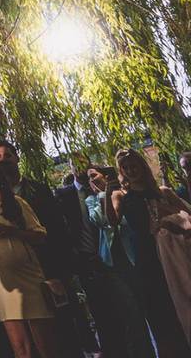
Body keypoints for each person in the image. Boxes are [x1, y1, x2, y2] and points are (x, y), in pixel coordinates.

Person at [0, 139, 86, 357]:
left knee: (64, 334)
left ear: (17, 158)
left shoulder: (38, 190)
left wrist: (58, 273)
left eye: (7, 155)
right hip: (16, 281)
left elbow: (57, 232)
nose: (3, 161)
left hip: (46, 273)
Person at [56, 153, 153, 358]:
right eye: (76, 165)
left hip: (130, 256)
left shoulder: (122, 192)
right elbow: (101, 221)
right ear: (71, 167)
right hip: (98, 263)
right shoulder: (73, 196)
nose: (85, 172)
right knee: (118, 316)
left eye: (89, 169)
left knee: (139, 312)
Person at [0, 159, 59, 358]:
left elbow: (40, 236)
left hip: (29, 278)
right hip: (2, 284)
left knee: (45, 344)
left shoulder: (17, 203)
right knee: (20, 348)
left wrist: (11, 231)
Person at [108, 148, 191, 355]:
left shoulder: (162, 191)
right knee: (158, 309)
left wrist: (169, 217)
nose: (130, 170)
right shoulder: (120, 195)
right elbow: (112, 222)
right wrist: (106, 195)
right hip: (145, 256)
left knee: (180, 300)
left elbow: (187, 212)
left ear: (142, 165)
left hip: (171, 252)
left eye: (133, 165)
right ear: (121, 171)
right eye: (125, 168)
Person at [83, 164, 155, 358]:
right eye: (88, 178)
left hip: (135, 257)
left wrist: (113, 193)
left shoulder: (124, 193)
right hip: (113, 265)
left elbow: (127, 221)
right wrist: (105, 194)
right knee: (132, 316)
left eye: (94, 175)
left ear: (106, 175)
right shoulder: (92, 200)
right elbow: (99, 219)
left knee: (148, 310)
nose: (91, 180)